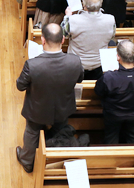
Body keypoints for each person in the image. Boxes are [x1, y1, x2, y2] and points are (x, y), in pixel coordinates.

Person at [15, 23, 83, 173]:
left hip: (37, 110)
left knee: (32, 132)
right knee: (59, 130)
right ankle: (54, 159)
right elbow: (79, 78)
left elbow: (20, 86)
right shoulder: (75, 61)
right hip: (63, 107)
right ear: (63, 40)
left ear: (43, 40)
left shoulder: (32, 65)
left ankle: (27, 160)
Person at [94, 40, 134, 144]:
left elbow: (99, 92)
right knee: (133, 137)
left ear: (118, 57)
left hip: (113, 114)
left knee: (111, 137)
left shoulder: (109, 77)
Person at [61, 0, 116, 80]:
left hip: (76, 64)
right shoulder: (110, 19)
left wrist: (67, 16)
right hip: (99, 64)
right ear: (101, 3)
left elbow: (63, 35)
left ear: (84, 4)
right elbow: (112, 36)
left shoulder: (72, 20)